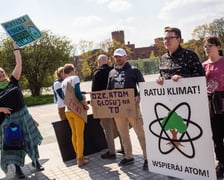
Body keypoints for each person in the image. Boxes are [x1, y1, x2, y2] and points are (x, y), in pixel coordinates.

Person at [0, 42, 44, 179]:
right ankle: (18, 170)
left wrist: (16, 48)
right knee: (14, 145)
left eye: (1, 71)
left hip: (24, 116)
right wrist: (0, 109)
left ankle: (36, 162)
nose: (0, 73)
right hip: (9, 120)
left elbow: (19, 64)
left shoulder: (13, 81)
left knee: (31, 140)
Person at [107, 48, 148, 170]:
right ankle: (129, 156)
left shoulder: (134, 70)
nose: (118, 58)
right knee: (123, 133)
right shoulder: (111, 73)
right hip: (118, 109)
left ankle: (147, 158)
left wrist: (139, 96)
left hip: (132, 107)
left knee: (140, 132)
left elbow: (143, 86)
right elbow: (108, 91)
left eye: (120, 56)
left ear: (126, 57)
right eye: (116, 56)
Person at [91, 54, 124, 159]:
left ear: (98, 62)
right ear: (108, 61)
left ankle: (111, 151)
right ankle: (124, 147)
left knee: (108, 129)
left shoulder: (97, 73)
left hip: (103, 105)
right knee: (119, 126)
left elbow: (94, 91)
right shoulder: (114, 71)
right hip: (116, 103)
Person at [202, 36, 224, 177]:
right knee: (217, 137)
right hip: (212, 107)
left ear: (217, 46)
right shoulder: (203, 66)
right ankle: (221, 163)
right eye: (205, 46)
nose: (207, 48)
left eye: (210, 45)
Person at [61, 63, 89, 167]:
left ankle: (79, 155)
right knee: (80, 135)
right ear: (73, 70)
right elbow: (77, 92)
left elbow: (66, 96)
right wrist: (84, 104)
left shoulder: (63, 82)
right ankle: (80, 159)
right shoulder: (75, 78)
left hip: (68, 110)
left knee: (74, 134)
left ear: (64, 73)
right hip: (77, 110)